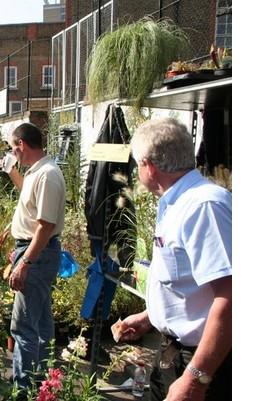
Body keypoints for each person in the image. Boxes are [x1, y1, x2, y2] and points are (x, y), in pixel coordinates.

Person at [118, 118, 232, 401]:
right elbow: (190, 282)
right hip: (174, 354)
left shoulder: (204, 206)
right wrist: (150, 317)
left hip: (205, 362)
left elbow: (232, 296)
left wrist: (195, 379)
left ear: (149, 166)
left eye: (136, 165)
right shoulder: (175, 203)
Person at [0, 123, 66, 398]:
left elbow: (45, 226)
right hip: (33, 251)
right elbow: (30, 204)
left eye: (13, 148)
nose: (13, 153)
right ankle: (43, 384)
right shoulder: (36, 172)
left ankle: (23, 391)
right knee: (40, 323)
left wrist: (25, 262)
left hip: (36, 255)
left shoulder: (48, 174)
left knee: (23, 327)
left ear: (21, 145)